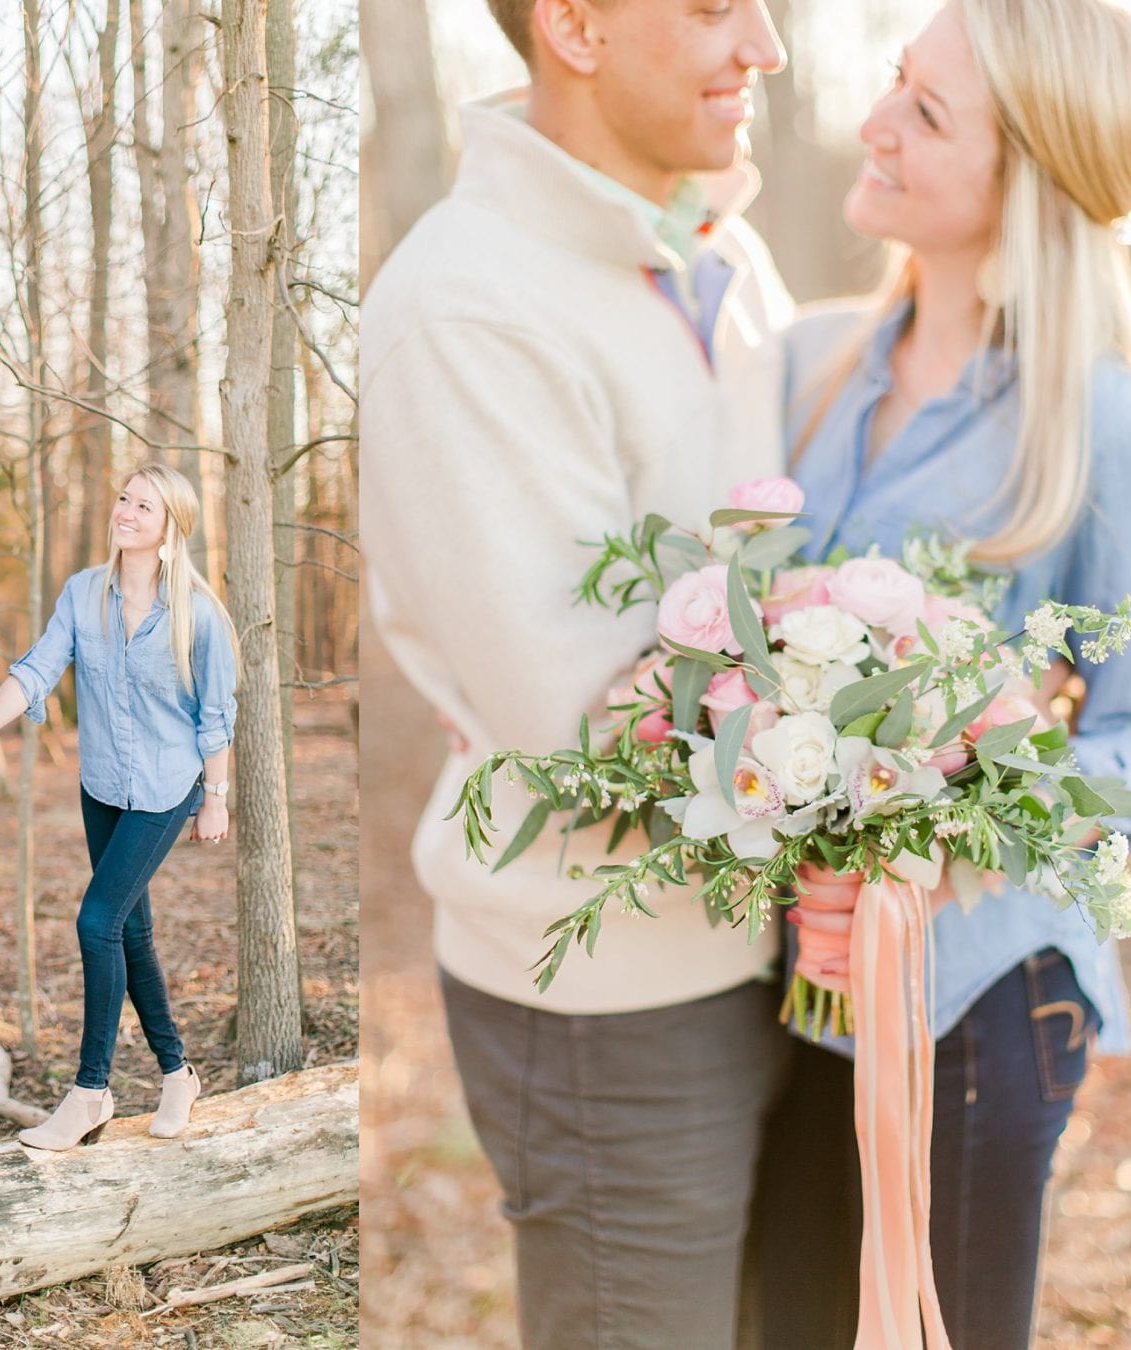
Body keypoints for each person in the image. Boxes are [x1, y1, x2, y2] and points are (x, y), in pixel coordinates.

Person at [755, 2, 1131, 1344]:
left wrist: (955, 824)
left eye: (929, 113)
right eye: (896, 81)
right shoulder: (814, 368)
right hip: (798, 992)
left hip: (980, 1006)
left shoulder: (1103, 429)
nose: (876, 122)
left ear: (1028, 179)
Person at [363, 0, 798, 1343]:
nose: (766, 46)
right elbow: (594, 734)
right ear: (575, 26)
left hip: (797, 948)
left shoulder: (727, 249)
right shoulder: (462, 306)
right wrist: (882, 711)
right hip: (612, 996)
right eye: (718, 7)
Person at [0, 461, 237, 1150]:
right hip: (103, 786)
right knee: (130, 933)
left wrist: (217, 798)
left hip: (168, 790)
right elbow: (35, 671)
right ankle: (178, 1073)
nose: (126, 512)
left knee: (97, 920)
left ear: (171, 529)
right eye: (124, 498)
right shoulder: (84, 594)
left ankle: (90, 1091)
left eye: (145, 506)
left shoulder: (198, 613)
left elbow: (216, 716)